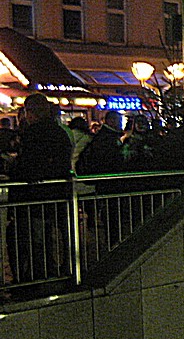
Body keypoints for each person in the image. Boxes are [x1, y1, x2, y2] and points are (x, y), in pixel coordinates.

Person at [6, 93, 73, 283]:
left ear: (30, 112)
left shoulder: (33, 134)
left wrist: (13, 166)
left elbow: (29, 166)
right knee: (45, 235)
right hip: (55, 192)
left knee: (34, 238)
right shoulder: (60, 132)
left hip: (34, 195)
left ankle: (36, 275)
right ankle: (49, 271)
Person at [76, 111, 123, 175]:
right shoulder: (107, 138)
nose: (120, 124)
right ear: (111, 121)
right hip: (105, 174)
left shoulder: (102, 135)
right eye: (119, 121)